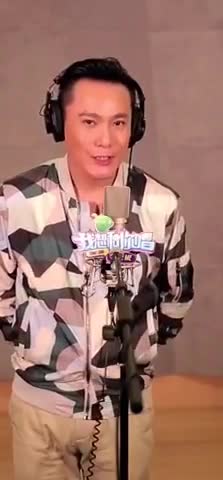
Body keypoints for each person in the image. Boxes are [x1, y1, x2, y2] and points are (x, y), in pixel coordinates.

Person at [0, 57, 195, 480]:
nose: (106, 140)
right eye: (89, 122)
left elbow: (176, 297)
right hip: (39, 413)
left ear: (135, 128)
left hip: (124, 412)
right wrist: (40, 344)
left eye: (119, 123)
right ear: (58, 122)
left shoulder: (160, 205)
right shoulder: (15, 203)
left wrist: (137, 347)